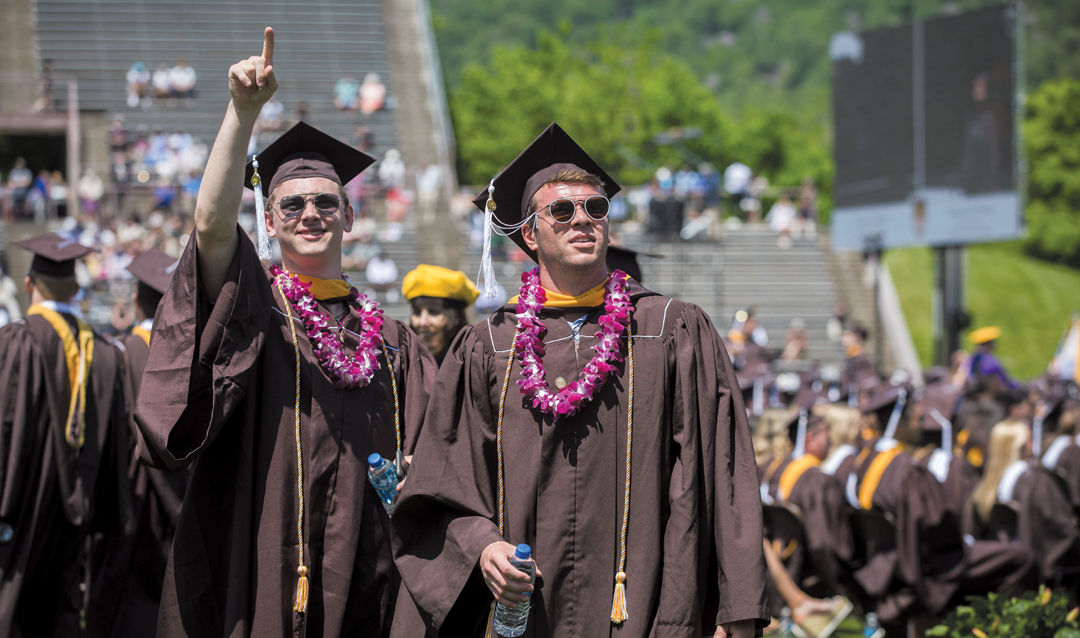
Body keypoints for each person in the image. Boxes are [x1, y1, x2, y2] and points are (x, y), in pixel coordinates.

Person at [391, 122, 768, 638]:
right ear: (529, 233)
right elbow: (443, 480)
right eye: (562, 211)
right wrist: (483, 547)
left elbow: (723, 472)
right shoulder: (488, 346)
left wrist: (738, 612)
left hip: (645, 605)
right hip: (522, 613)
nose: (582, 221)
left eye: (596, 208)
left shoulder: (670, 330)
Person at [133, 29, 436, 637]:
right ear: (268, 221)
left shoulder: (394, 342)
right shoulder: (252, 312)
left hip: (369, 566)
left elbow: (435, 451)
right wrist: (243, 114)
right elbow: (211, 226)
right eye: (292, 205)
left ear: (349, 215)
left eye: (326, 202)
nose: (311, 214)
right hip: (262, 553)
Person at [0, 233, 129, 635]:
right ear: (76, 288)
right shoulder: (108, 354)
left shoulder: (15, 340)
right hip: (78, 513)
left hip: (19, 508)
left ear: (27, 284)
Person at [94, 247, 188, 636]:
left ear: (134, 301)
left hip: (128, 496)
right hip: (185, 495)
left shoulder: (117, 356)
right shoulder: (195, 357)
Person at [965, 408, 1080, 585]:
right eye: (1029, 439)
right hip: (1036, 574)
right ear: (1022, 446)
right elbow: (1062, 531)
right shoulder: (1035, 482)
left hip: (1001, 573)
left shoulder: (983, 488)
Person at [402, 265, 479, 366]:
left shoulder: (475, 365)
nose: (422, 322)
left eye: (434, 312)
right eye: (417, 312)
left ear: (456, 318)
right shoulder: (402, 364)